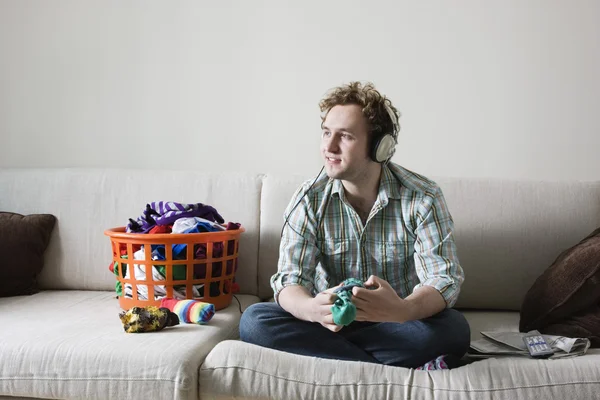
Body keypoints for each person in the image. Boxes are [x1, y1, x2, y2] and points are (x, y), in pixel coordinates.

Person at [240, 81, 470, 369]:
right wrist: (311, 308)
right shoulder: (309, 198)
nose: (329, 146)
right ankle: (384, 366)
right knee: (255, 322)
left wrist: (404, 309)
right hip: (328, 327)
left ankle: (335, 361)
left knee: (455, 329)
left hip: (397, 323)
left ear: (379, 146)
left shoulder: (422, 197)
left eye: (345, 136)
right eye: (326, 133)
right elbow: (289, 281)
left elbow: (443, 279)